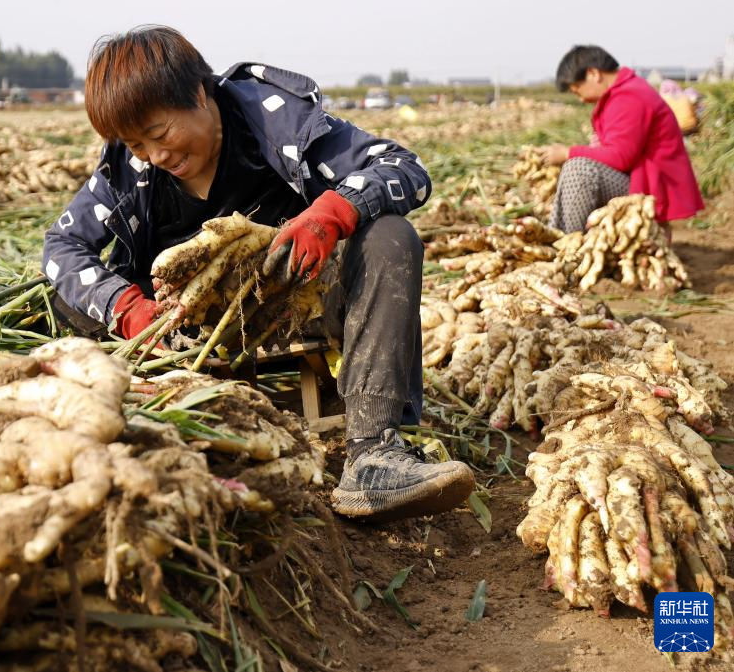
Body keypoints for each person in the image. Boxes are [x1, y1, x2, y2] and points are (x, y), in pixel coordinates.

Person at [42, 26, 475, 521]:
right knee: (67, 295)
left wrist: (331, 212)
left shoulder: (276, 124)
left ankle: (374, 455)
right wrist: (127, 308)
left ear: (200, 94)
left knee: (391, 237)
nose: (155, 156)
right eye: (137, 144)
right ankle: (148, 417)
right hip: (184, 325)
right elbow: (62, 246)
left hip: (296, 300)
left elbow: (403, 167)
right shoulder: (128, 170)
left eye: (160, 134)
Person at [541, 45, 704, 234]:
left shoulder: (629, 96)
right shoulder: (627, 91)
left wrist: (568, 153)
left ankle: (565, 245)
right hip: (640, 180)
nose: (581, 99)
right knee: (579, 164)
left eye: (577, 91)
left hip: (650, 189)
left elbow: (620, 157)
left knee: (579, 170)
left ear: (593, 73)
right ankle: (562, 240)